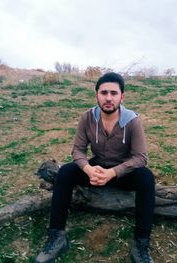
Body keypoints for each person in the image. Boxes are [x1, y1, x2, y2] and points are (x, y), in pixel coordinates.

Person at [35, 72, 155, 263]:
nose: (108, 98)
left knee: (146, 178)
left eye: (114, 93)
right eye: (104, 92)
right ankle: (57, 237)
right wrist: (88, 169)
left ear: (122, 97)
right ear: (97, 95)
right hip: (96, 171)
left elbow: (140, 157)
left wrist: (113, 172)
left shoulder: (132, 121)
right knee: (66, 171)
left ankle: (141, 243)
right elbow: (78, 150)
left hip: (122, 173)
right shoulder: (87, 118)